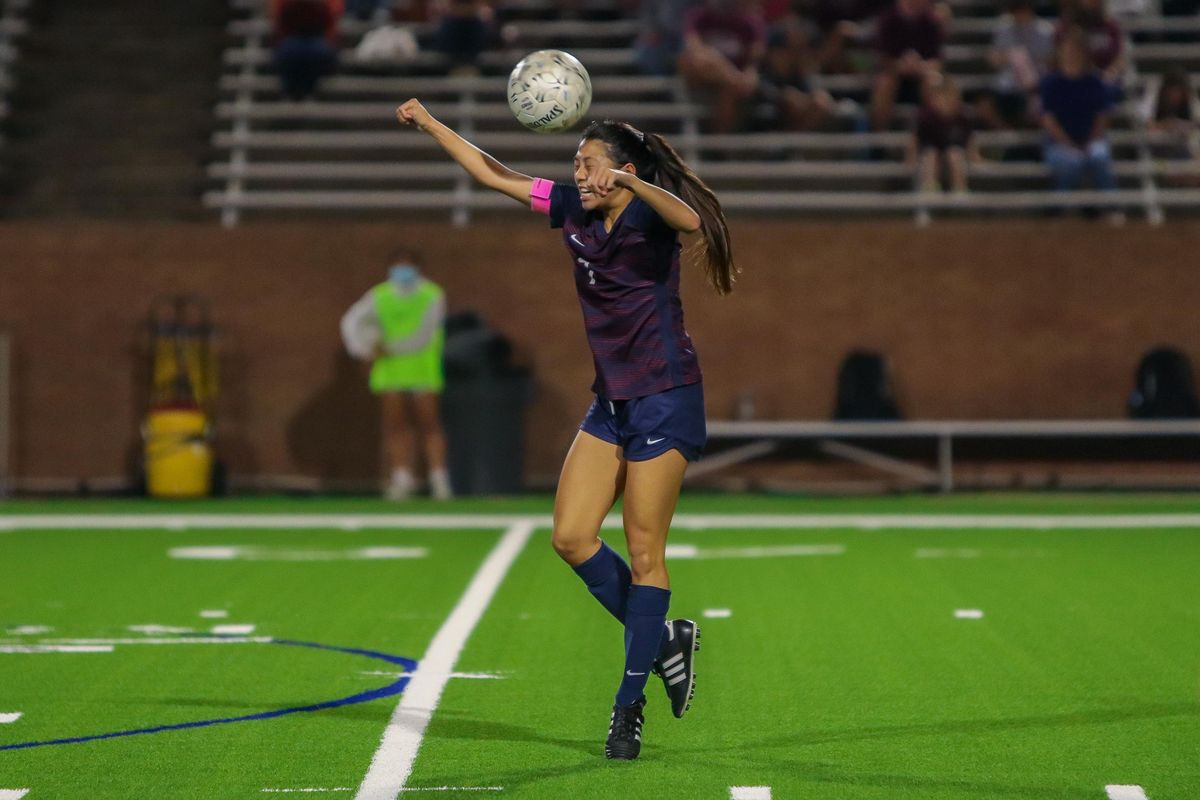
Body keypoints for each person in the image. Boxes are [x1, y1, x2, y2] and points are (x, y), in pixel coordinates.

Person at [394, 97, 736, 760]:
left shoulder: (647, 213)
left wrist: (634, 182)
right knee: (573, 537)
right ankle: (665, 637)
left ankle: (628, 707)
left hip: (665, 399)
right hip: (611, 402)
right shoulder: (574, 209)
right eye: (575, 164)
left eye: (588, 163)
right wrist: (433, 124)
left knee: (644, 554)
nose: (577, 174)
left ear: (621, 171)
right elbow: (495, 175)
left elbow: (691, 220)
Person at [340, 252, 453, 500]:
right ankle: (402, 479)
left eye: (407, 266)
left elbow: (424, 335)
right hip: (390, 372)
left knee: (430, 426)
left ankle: (439, 480)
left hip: (422, 370)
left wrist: (388, 348)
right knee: (396, 428)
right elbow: (351, 322)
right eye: (398, 266)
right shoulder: (379, 295)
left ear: (418, 268)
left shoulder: (432, 295)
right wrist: (363, 349)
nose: (402, 272)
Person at [1039, 28, 1121, 221]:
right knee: (1072, 162)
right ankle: (1060, 207)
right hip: (1059, 143)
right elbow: (1048, 121)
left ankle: (1112, 207)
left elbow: (1102, 118)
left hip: (1091, 139)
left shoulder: (1095, 82)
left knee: (1099, 156)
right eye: (1068, 50)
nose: (1071, 55)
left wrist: (1088, 140)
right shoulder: (1051, 83)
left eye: (1076, 51)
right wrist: (1070, 144)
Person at [677, 0, 768, 133]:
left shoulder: (750, 21)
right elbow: (694, 47)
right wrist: (730, 72)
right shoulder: (698, 17)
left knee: (729, 89)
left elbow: (755, 58)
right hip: (702, 79)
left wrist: (750, 73)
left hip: (732, 88)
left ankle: (719, 146)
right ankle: (733, 79)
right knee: (701, 58)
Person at [870, 0, 944, 131]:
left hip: (919, 78)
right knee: (884, 83)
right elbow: (882, 58)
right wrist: (901, 65)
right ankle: (879, 141)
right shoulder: (887, 21)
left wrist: (918, 66)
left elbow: (937, 61)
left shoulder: (931, 23)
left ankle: (932, 136)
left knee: (934, 81)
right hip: (894, 78)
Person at [981, 0, 1056, 129]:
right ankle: (1007, 129)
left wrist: (1031, 64)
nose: (1020, 15)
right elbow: (993, 58)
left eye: (1023, 10)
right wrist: (1010, 57)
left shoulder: (1045, 31)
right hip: (1010, 83)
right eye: (1016, 11)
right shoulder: (1003, 29)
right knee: (990, 99)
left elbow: (1052, 60)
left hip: (1038, 82)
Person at [911, 75, 978, 193]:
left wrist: (974, 156)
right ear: (934, 100)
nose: (947, 102)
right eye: (943, 98)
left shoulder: (963, 117)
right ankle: (930, 189)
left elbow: (969, 141)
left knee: (955, 155)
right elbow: (915, 139)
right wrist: (911, 158)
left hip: (954, 155)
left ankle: (960, 190)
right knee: (931, 156)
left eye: (951, 97)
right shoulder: (926, 117)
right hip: (932, 155)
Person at [271, 0, 343, 100]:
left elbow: (331, 23)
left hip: (318, 41)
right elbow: (280, 24)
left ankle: (307, 89)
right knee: (290, 50)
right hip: (293, 41)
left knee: (318, 51)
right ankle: (294, 91)